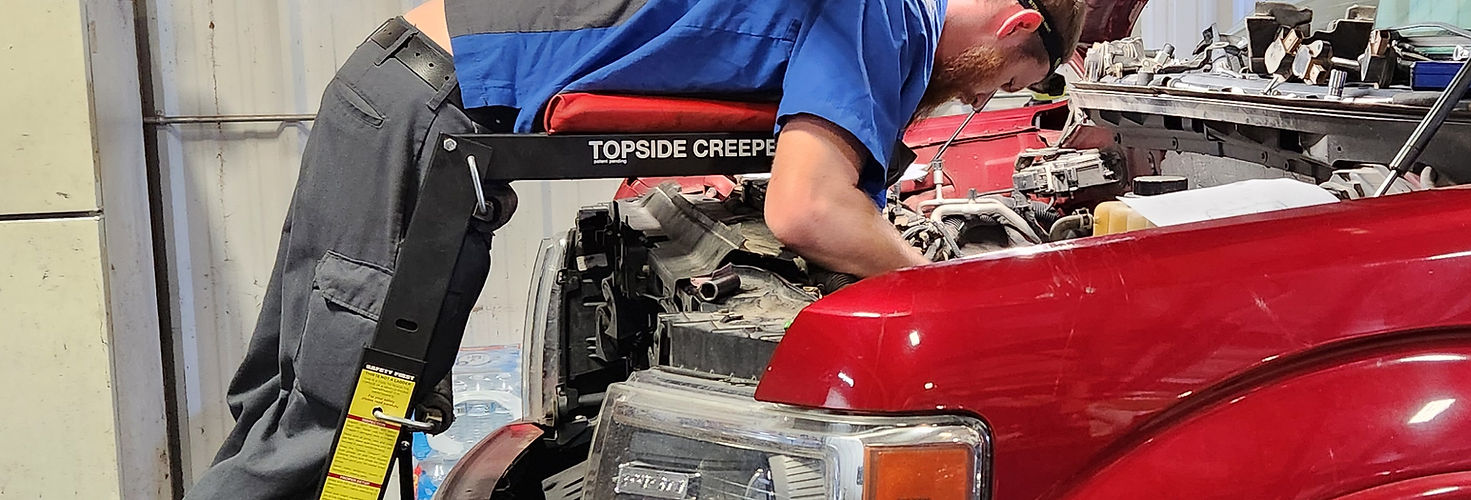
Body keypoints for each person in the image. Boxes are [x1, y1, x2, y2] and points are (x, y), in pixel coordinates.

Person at [183, 0, 1087, 498]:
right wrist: (941, 287)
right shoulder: (892, 19)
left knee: (295, 397)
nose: (978, 106)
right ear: (1015, 24)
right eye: (1013, 83)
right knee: (339, 416)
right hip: (425, 115)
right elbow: (811, 207)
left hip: (394, 95)